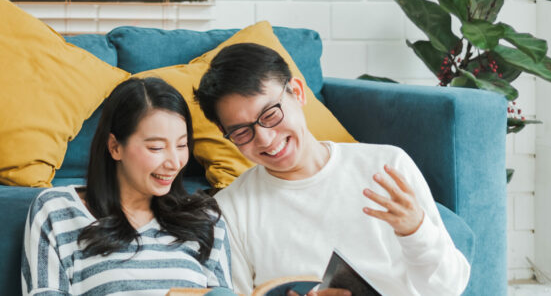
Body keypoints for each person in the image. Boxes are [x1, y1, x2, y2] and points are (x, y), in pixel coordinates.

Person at [193, 43, 471, 296]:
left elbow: (449, 288)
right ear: (224, 133)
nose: (265, 139)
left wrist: (416, 231)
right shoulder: (229, 210)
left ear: (298, 92)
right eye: (241, 132)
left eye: (270, 115)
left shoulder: (387, 166)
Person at [21, 77, 233, 295]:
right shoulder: (56, 210)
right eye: (156, 147)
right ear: (115, 147)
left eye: (182, 145)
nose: (174, 162)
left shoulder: (206, 218)